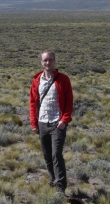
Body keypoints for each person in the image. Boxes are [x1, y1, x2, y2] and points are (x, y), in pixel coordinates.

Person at [29, 50, 73, 194]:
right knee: (47, 155)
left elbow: (69, 102)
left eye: (50, 60)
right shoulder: (36, 80)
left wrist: (64, 120)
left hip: (57, 123)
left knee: (56, 155)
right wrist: (33, 123)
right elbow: (32, 103)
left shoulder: (63, 79)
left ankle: (60, 187)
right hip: (42, 122)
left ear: (55, 61)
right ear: (41, 62)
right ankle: (54, 179)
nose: (48, 63)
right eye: (45, 60)